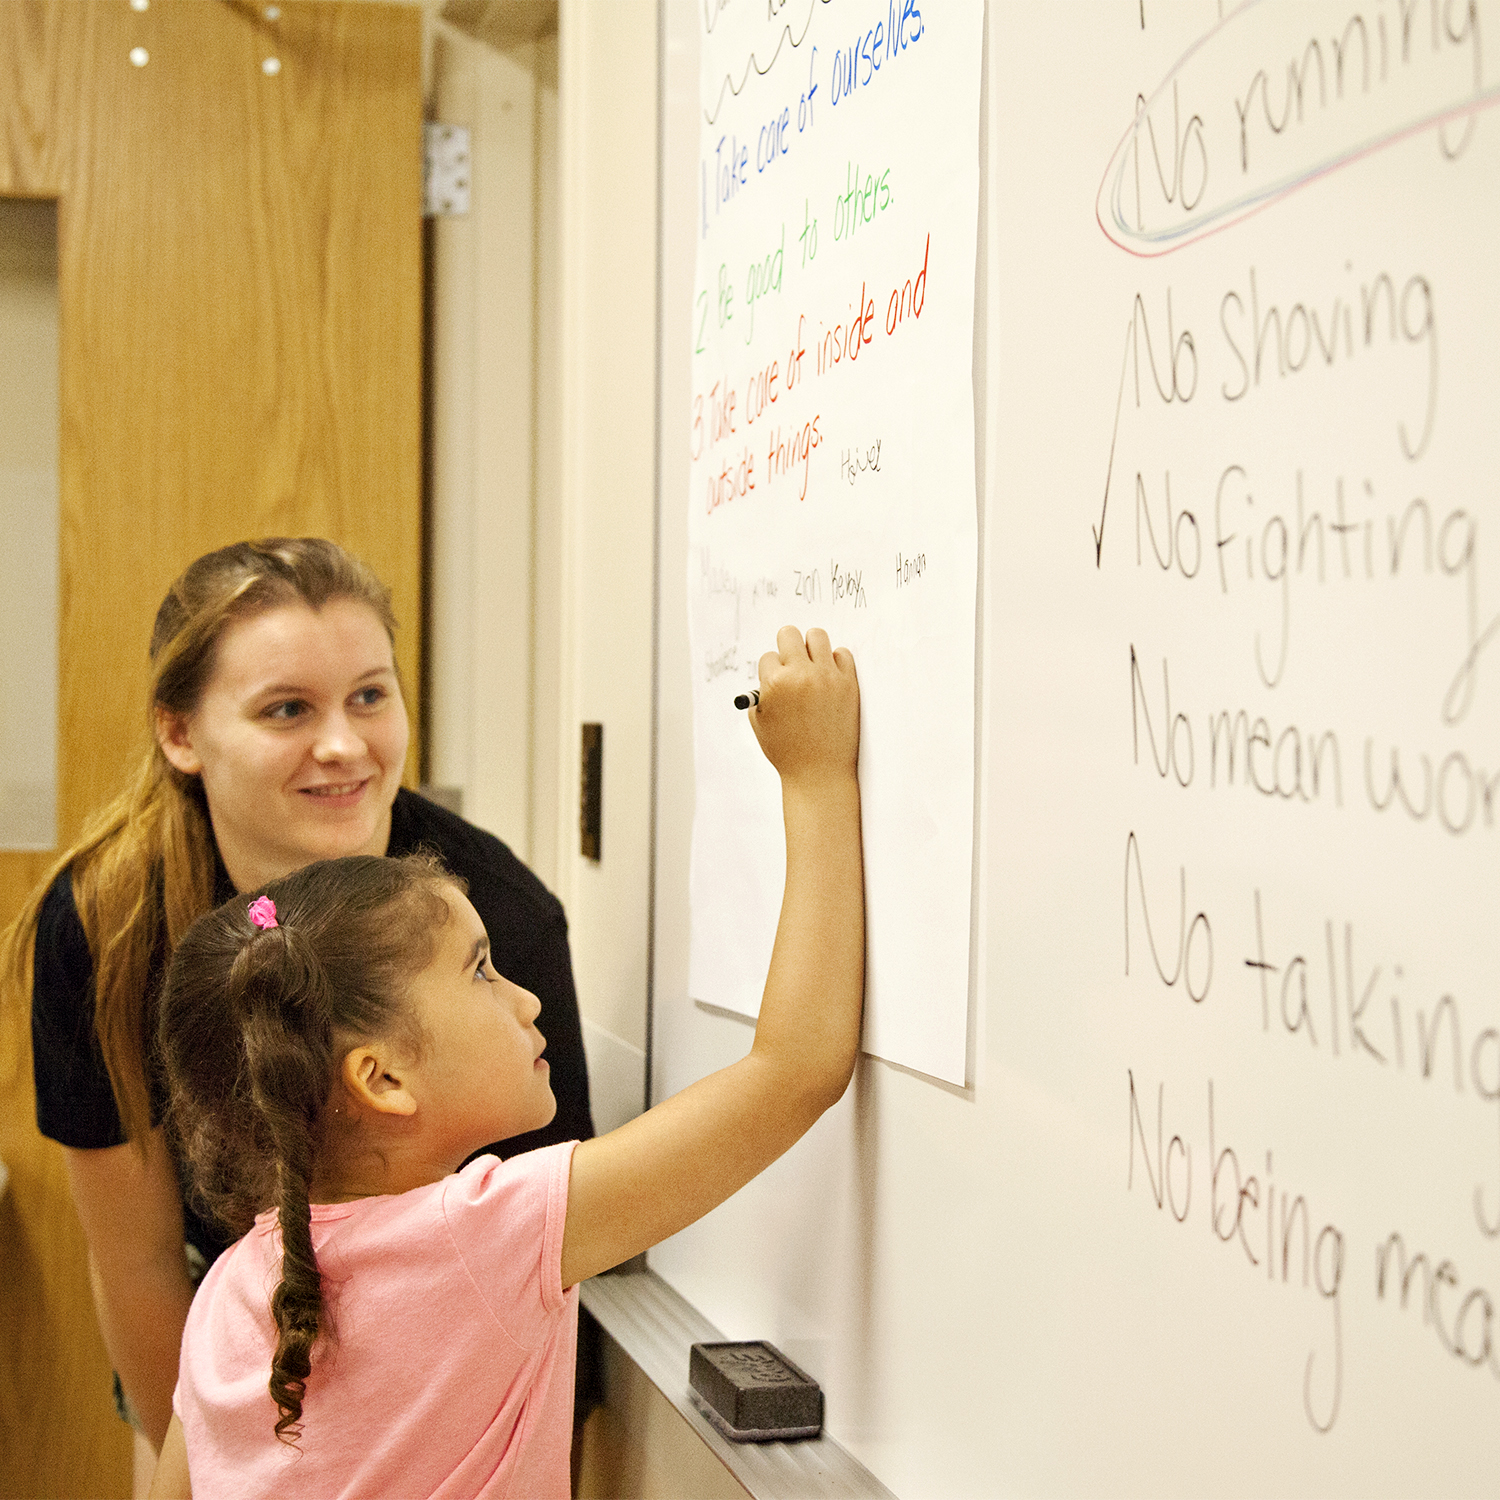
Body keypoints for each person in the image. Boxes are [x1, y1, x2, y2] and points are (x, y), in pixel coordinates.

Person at [144, 624, 863, 1499]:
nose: (525, 998)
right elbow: (795, 1071)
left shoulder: (230, 1288)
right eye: (482, 970)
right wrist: (818, 778)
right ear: (382, 1079)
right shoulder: (491, 1234)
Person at [0, 538, 594, 1480]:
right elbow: (139, 1263)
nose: (345, 745)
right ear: (180, 735)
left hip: (442, 1326)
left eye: (370, 695)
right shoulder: (107, 925)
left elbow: (549, 1236)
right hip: (210, 1318)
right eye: (287, 709)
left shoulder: (495, 915)